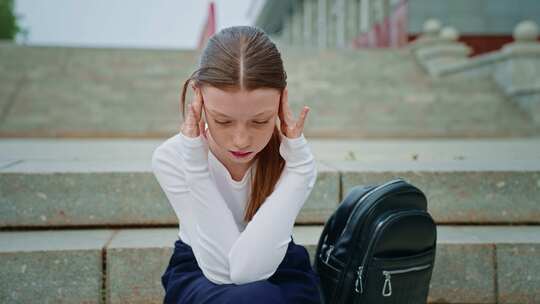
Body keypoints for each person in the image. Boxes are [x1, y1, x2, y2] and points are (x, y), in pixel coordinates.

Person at [151, 25, 321, 303]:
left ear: (282, 99)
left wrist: (300, 171)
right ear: (199, 96)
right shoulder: (172, 157)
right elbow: (222, 271)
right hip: (199, 268)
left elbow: (248, 269)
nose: (241, 140)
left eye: (259, 121)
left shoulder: (290, 157)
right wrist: (195, 164)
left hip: (280, 264)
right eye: (223, 121)